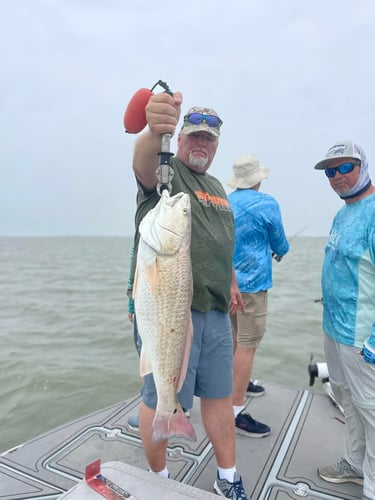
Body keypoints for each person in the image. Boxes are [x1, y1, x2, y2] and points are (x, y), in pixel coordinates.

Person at [129, 90, 249, 500]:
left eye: (208, 139)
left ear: (216, 146)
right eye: (193, 136)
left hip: (216, 311)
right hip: (173, 310)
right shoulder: (168, 176)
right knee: (159, 394)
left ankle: (228, 477)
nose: (200, 144)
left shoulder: (216, 185)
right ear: (179, 140)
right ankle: (157, 482)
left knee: (219, 396)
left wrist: (230, 280)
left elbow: (220, 240)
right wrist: (152, 129)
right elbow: (143, 164)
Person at [313, 140, 375, 500]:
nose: (336, 177)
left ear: (363, 165)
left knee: (371, 408)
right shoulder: (343, 212)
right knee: (346, 398)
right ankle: (355, 463)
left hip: (361, 335)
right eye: (330, 172)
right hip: (335, 328)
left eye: (344, 168)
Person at [227, 154, 289, 438]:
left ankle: (238, 385)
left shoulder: (225, 202)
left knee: (234, 341)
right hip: (252, 286)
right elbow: (280, 243)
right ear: (258, 179)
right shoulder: (267, 203)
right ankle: (236, 410)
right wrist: (279, 250)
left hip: (226, 285)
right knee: (248, 346)